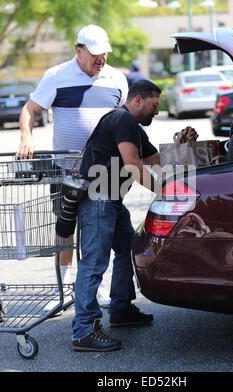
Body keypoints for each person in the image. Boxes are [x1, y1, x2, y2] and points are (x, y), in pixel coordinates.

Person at [72, 80, 198, 352]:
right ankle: (83, 330)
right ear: (138, 100)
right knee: (94, 263)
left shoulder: (133, 128)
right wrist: (164, 194)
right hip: (98, 200)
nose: (157, 111)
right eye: (154, 105)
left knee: (128, 248)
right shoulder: (123, 120)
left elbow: (159, 161)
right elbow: (132, 166)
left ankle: (120, 310)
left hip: (111, 200)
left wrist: (182, 144)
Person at [17, 24, 129, 309]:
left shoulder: (117, 78)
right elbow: (30, 110)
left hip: (107, 170)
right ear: (78, 51)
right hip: (66, 170)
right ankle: (63, 289)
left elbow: (124, 119)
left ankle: (98, 288)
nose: (100, 59)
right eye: (93, 53)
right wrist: (26, 138)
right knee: (65, 230)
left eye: (103, 53)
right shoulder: (56, 76)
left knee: (102, 230)